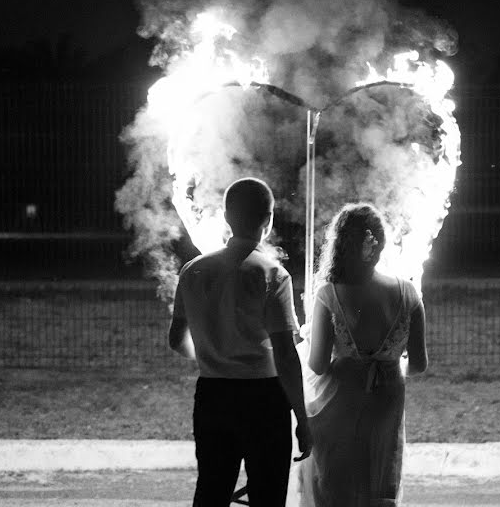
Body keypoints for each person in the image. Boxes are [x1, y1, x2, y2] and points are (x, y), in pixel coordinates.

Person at [168, 177, 312, 507]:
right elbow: (286, 355)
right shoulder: (272, 274)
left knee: (211, 491)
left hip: (213, 395)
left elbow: (176, 339)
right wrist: (302, 420)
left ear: (226, 216)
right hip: (264, 399)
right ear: (269, 219)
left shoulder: (192, 270)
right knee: (267, 494)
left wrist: (211, 353)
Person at [296, 203, 428, 506]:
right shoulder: (408, 293)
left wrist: (306, 342)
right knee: (378, 480)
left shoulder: (329, 294)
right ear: (380, 244)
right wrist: (389, 364)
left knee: (337, 483)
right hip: (387, 402)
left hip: (339, 403)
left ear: (341, 244)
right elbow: (419, 365)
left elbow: (317, 365)